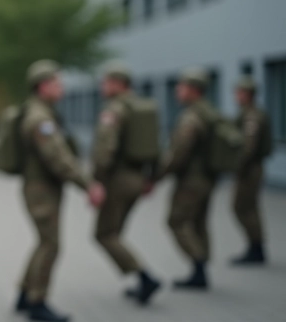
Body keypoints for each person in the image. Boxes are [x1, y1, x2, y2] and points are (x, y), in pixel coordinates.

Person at [15, 59, 106, 322]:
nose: (61, 86)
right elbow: (58, 157)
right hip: (41, 190)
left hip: (41, 188)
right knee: (51, 244)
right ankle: (37, 302)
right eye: (56, 82)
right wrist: (88, 184)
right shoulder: (40, 119)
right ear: (43, 86)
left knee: (44, 242)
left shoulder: (39, 112)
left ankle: (24, 294)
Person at [89, 62, 161, 304]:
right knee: (115, 232)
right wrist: (152, 177)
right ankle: (142, 280)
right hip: (139, 178)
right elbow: (156, 146)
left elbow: (105, 149)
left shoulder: (115, 110)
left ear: (118, 84)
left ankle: (146, 277)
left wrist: (96, 181)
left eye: (107, 82)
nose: (103, 86)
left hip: (117, 180)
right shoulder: (142, 108)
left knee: (105, 233)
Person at [154, 67, 218, 290]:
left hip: (191, 180)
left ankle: (199, 265)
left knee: (177, 221)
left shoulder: (191, 117)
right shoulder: (209, 112)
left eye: (181, 87)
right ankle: (201, 269)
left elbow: (179, 152)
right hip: (208, 178)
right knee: (199, 222)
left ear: (193, 90)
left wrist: (157, 176)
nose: (177, 91)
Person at [231, 75, 273, 265]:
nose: (236, 96)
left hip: (249, 169)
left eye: (239, 92)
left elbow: (248, 147)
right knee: (249, 208)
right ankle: (256, 247)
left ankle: (255, 248)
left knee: (243, 207)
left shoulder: (251, 116)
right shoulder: (250, 113)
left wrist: (235, 166)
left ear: (247, 94)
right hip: (251, 168)